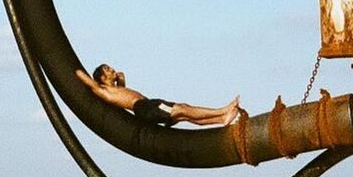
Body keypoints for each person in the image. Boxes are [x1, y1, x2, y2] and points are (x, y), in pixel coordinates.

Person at [76, 64, 240, 127]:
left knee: (184, 115)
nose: (112, 69)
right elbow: (84, 78)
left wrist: (122, 80)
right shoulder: (103, 91)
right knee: (183, 108)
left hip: (148, 106)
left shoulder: (115, 90)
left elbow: (123, 96)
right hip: (145, 108)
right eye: (108, 69)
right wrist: (73, 71)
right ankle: (222, 111)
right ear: (102, 78)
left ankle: (221, 120)